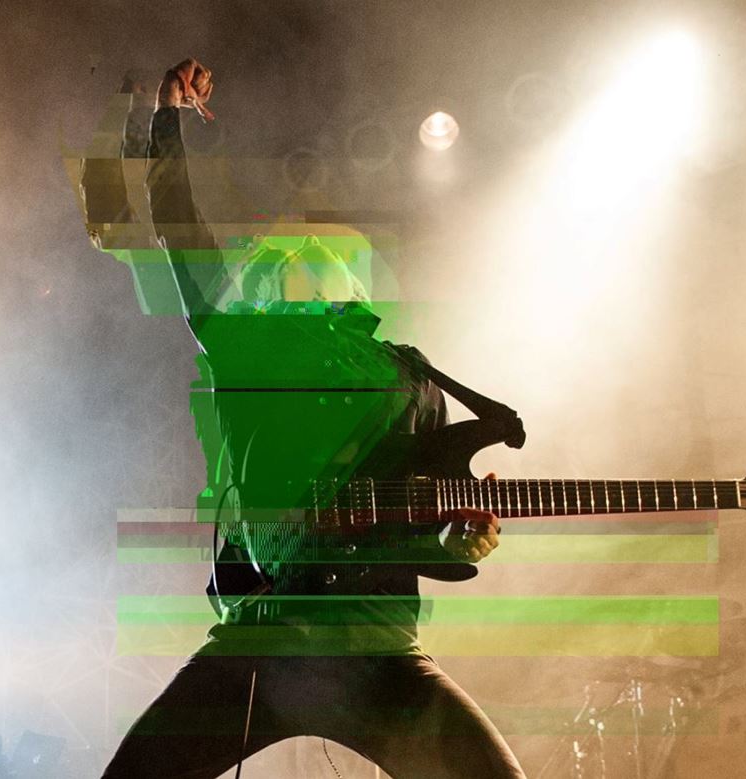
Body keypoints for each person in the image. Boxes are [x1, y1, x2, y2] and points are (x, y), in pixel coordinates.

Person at [93, 59, 527, 778]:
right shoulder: (298, 353)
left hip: (345, 647)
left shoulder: (399, 373)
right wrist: (165, 121)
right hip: (312, 646)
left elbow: (423, 521)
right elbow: (181, 231)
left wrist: (461, 538)